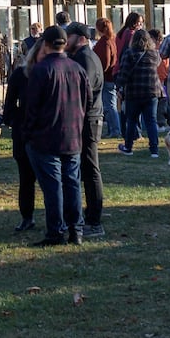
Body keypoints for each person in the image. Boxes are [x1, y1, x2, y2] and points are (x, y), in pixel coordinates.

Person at [23, 25, 87, 246]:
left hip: (46, 136)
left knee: (53, 188)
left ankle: (56, 232)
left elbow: (31, 107)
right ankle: (76, 230)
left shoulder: (41, 70)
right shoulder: (77, 69)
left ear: (46, 44)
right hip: (72, 136)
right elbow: (85, 102)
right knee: (72, 185)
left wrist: (29, 133)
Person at [64, 23, 107, 237]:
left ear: (79, 37)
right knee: (84, 169)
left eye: (67, 36)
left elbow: (84, 92)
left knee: (90, 170)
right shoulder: (81, 56)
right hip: (84, 118)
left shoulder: (86, 58)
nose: (64, 41)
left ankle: (94, 221)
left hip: (87, 119)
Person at [3, 39, 42, 233]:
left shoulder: (52, 72)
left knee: (51, 179)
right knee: (26, 178)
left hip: (46, 131)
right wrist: (18, 121)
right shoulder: (21, 74)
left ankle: (58, 218)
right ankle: (27, 216)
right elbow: (9, 105)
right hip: (25, 132)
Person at [116, 28, 162, 156]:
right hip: (152, 91)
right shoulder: (154, 54)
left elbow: (123, 73)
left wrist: (119, 87)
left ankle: (128, 147)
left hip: (134, 92)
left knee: (131, 120)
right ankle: (154, 150)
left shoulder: (129, 53)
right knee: (151, 121)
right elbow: (157, 65)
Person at [94, 17, 121, 139]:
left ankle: (115, 129)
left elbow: (105, 61)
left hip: (106, 77)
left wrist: (99, 73)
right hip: (112, 76)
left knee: (109, 105)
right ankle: (113, 129)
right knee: (111, 104)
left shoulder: (104, 42)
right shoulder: (112, 40)